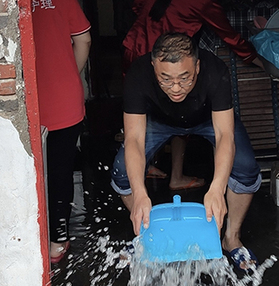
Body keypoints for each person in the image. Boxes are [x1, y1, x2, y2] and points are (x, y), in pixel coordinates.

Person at [111, 32, 261, 271]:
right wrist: (139, 193)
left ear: (197, 66)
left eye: (185, 78)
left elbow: (224, 135)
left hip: (207, 120)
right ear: (153, 67)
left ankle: (231, 237)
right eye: (166, 79)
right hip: (158, 122)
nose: (176, 88)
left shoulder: (215, 70)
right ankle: (145, 237)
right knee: (122, 172)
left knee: (245, 167)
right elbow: (135, 139)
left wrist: (217, 188)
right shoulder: (138, 75)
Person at [121, 0, 264, 191]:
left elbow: (137, 6)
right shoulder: (203, 2)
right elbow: (229, 36)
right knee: (170, 108)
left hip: (138, 49)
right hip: (166, 63)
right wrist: (258, 60)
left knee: (175, 110)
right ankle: (144, 169)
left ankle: (160, 170)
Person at [32, 0, 91, 263]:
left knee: (30, 172)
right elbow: (84, 40)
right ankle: (57, 240)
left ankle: (31, 236)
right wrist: (69, 72)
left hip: (29, 99)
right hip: (64, 95)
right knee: (60, 172)